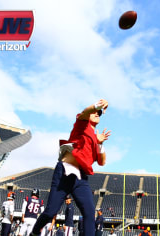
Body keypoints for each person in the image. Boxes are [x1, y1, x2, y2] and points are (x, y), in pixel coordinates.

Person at [32, 99, 111, 236]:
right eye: (95, 112)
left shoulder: (95, 138)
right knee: (51, 211)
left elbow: (102, 162)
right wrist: (97, 106)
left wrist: (99, 143)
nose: (97, 113)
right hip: (65, 172)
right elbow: (86, 112)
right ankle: (34, 232)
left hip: (81, 178)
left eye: (99, 113)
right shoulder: (82, 125)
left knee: (89, 212)